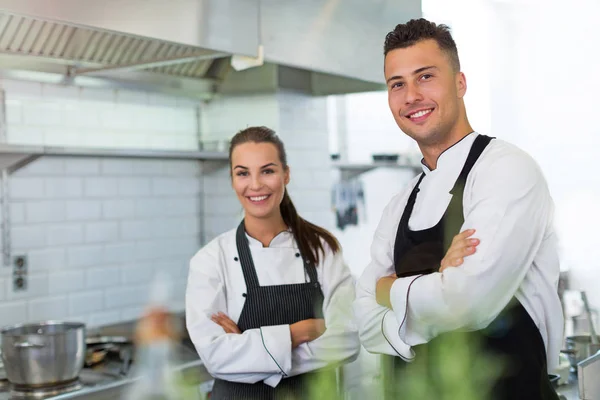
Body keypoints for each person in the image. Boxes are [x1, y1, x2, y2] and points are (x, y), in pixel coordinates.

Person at [353, 18, 563, 400]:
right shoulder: (400, 203)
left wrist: (389, 289)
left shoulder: (506, 169)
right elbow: (362, 319)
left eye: (425, 76)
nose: (411, 95)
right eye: (397, 84)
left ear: (460, 83)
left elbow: (466, 304)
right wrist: (436, 280)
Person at [186, 126, 360, 399]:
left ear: (285, 174)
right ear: (232, 179)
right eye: (243, 173)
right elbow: (215, 357)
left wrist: (250, 347)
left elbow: (347, 340)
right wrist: (297, 332)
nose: (255, 185)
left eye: (267, 171)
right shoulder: (211, 260)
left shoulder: (322, 249)